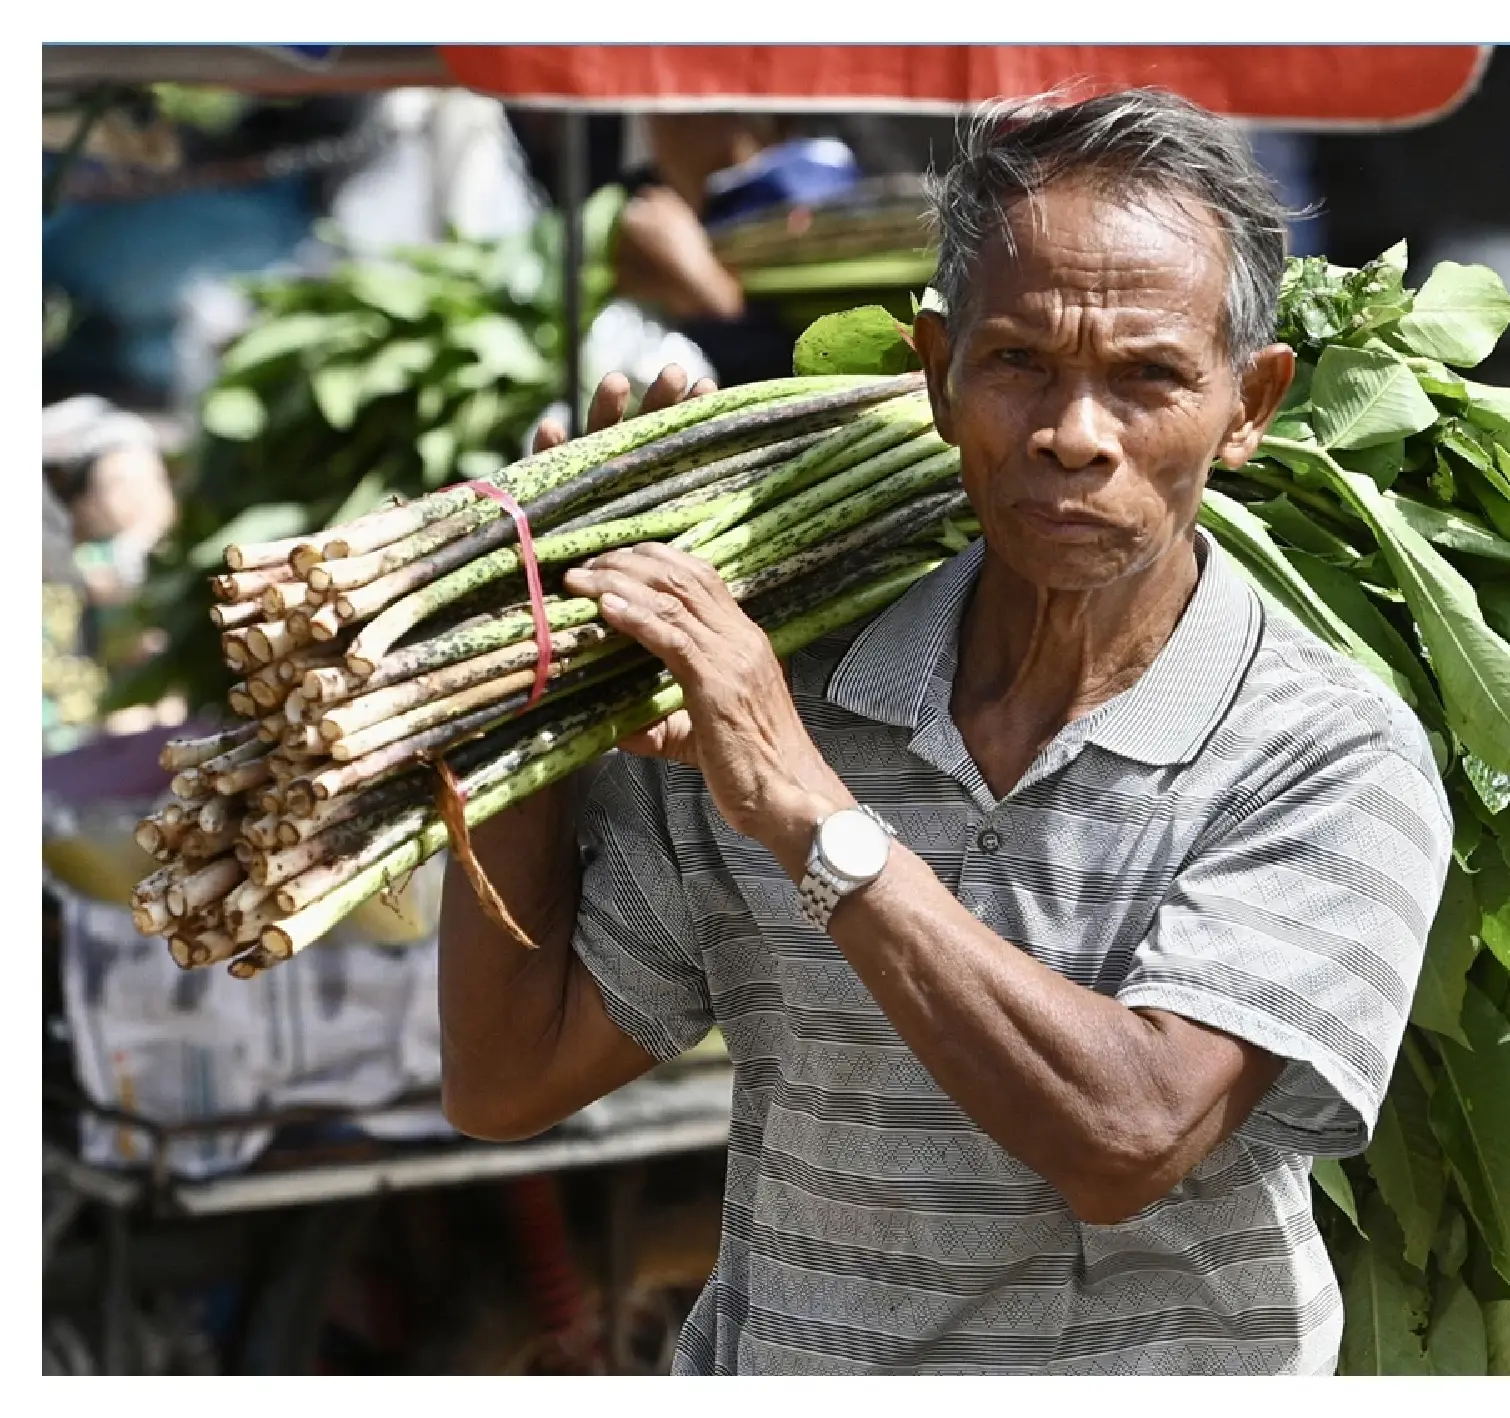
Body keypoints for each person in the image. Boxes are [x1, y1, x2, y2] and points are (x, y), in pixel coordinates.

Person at [439, 88, 1451, 1375]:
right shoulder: (786, 688)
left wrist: (813, 820)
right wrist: (545, 673)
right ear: (936, 374)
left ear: (1247, 405)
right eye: (1019, 361)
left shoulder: (1322, 750)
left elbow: (1125, 1138)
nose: (1074, 436)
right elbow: (504, 1078)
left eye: (1147, 377)